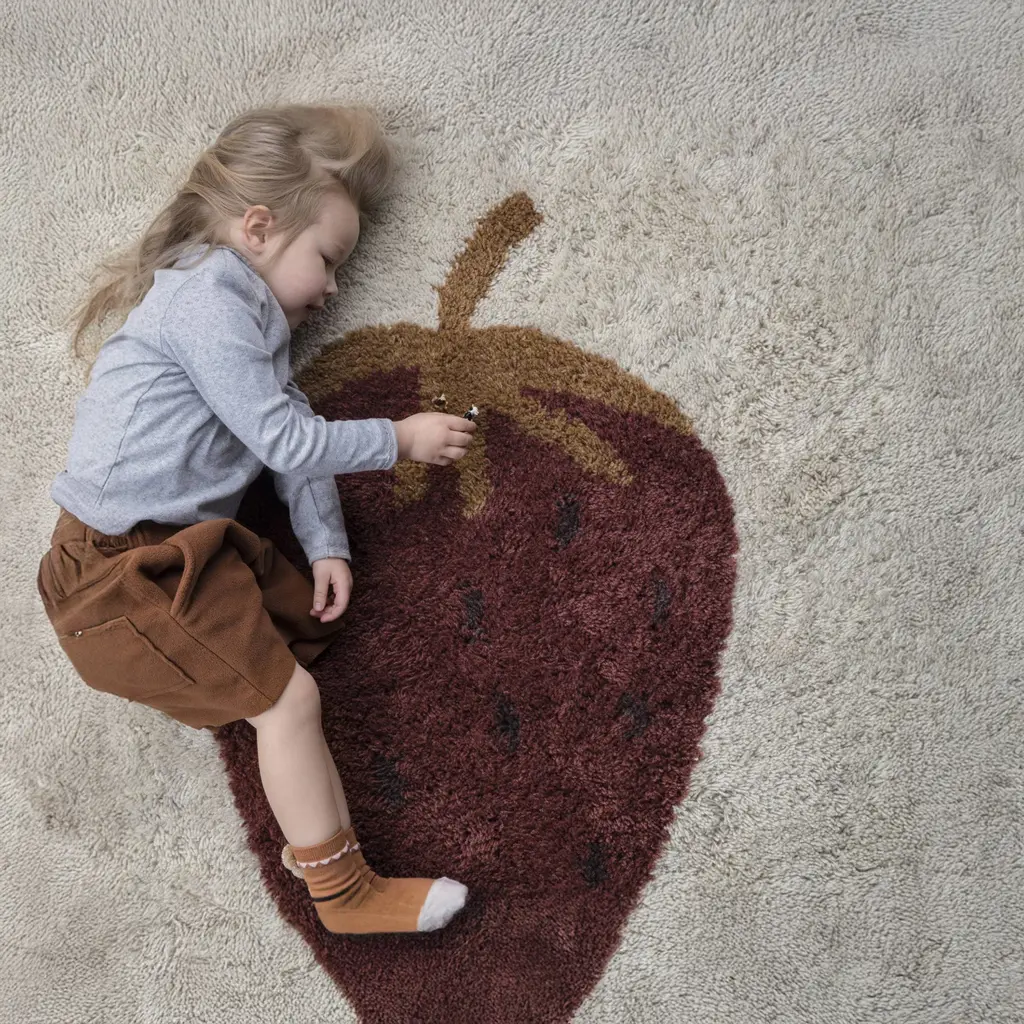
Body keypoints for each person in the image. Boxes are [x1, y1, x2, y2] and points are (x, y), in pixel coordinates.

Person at [35, 103, 477, 935]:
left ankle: (319, 842)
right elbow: (284, 438)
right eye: (327, 259)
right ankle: (343, 896)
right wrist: (400, 439)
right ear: (259, 228)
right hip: (113, 571)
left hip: (175, 557)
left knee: (300, 663)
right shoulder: (206, 298)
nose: (333, 288)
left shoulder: (247, 326)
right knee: (287, 702)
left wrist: (326, 542)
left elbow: (286, 432)